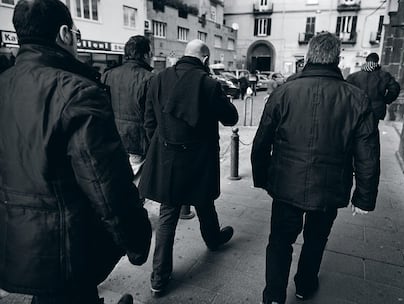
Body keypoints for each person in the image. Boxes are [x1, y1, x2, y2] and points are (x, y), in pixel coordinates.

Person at [0, 1, 152, 304]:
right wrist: (137, 238)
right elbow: (105, 184)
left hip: (13, 237)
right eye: (77, 34)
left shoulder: (5, 83)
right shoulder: (76, 91)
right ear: (65, 33)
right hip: (62, 245)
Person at [251, 32, 380, 304]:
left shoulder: (284, 91)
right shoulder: (356, 98)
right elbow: (367, 152)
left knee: (280, 242)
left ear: (308, 57)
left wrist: (263, 177)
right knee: (315, 239)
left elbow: (261, 140)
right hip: (330, 185)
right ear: (337, 59)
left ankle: (273, 296)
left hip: (286, 184)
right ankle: (304, 284)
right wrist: (364, 197)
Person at [139, 39, 238, 297]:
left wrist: (162, 147)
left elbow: (149, 121)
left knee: (168, 214)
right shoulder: (209, 84)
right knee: (204, 201)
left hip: (168, 157)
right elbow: (231, 118)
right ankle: (213, 239)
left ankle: (159, 278)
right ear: (205, 60)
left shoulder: (158, 79)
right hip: (199, 159)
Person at [102, 35, 154, 190]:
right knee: (135, 186)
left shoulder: (108, 75)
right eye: (150, 53)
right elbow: (153, 116)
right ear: (145, 55)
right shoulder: (150, 79)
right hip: (137, 142)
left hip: (113, 139)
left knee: (116, 181)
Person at [347, 52, 400, 122]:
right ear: (377, 61)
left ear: (366, 61)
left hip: (358, 107)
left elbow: (347, 91)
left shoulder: (353, 76)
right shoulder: (384, 75)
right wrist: (386, 100)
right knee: (374, 129)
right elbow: (395, 89)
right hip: (378, 109)